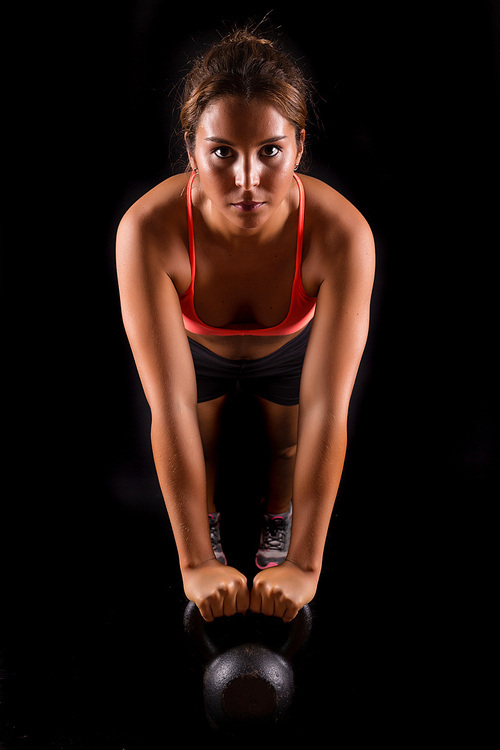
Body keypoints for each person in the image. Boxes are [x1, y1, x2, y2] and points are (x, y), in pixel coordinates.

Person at [116, 27, 375, 623]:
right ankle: (207, 529)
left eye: (271, 152)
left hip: (286, 350)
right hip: (196, 347)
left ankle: (276, 524)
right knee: (196, 439)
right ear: (191, 148)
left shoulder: (342, 235)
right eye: (223, 152)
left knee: (287, 443)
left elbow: (326, 408)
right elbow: (172, 405)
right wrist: (196, 563)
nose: (247, 180)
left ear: (300, 147)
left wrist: (306, 565)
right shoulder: (148, 230)